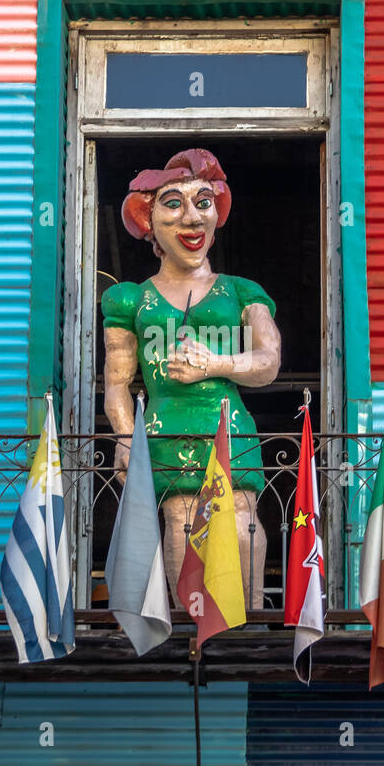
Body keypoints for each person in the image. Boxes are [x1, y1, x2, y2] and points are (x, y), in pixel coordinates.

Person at [101, 149, 282, 609]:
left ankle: (245, 624)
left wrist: (215, 366)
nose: (191, 217)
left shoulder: (242, 291)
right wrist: (124, 437)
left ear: (216, 217)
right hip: (166, 429)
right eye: (173, 203)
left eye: (203, 203)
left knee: (245, 527)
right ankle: (193, 628)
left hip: (229, 426)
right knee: (182, 526)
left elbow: (270, 359)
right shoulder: (130, 300)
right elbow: (118, 380)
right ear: (148, 220)